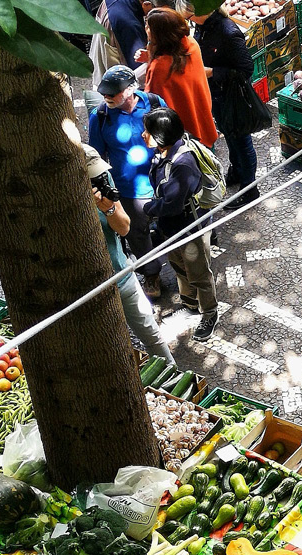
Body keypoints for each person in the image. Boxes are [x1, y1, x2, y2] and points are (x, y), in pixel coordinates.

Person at [83, 145, 177, 366]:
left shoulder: (101, 178)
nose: (98, 178)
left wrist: (108, 209)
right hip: (91, 289)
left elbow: (124, 228)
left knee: (151, 334)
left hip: (121, 273)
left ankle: (175, 376)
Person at [89, 65, 167, 299]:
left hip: (162, 180)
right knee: (137, 234)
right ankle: (151, 273)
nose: (107, 97)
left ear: (132, 89)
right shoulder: (100, 117)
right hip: (129, 190)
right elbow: (97, 157)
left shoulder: (153, 102)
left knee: (172, 224)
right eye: (105, 92)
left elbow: (169, 133)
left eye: (113, 92)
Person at [143, 107, 218, 341]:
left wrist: (149, 209)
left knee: (198, 273)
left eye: (148, 132)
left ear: (162, 135)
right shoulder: (163, 154)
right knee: (178, 266)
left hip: (189, 228)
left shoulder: (182, 164)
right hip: (173, 228)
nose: (143, 135)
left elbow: (172, 204)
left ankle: (209, 313)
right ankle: (190, 304)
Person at [190, 6, 260, 207]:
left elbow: (246, 69)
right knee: (229, 134)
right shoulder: (201, 27)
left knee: (241, 140)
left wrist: (212, 72)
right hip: (216, 94)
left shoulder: (228, 32)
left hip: (232, 96)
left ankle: (250, 188)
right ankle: (237, 171)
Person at [142, 8, 218, 148]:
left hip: (183, 137)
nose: (145, 29)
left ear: (160, 34)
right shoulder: (191, 44)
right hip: (202, 121)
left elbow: (153, 102)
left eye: (148, 26)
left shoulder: (159, 67)